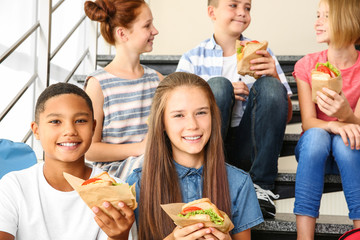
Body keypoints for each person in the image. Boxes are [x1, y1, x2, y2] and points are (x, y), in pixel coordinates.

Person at [176, 0, 293, 218]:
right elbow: (179, 116)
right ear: (212, 12)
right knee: (218, 86)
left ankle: (261, 188)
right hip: (208, 146)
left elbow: (285, 117)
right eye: (234, 5)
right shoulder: (192, 59)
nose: (242, 13)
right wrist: (216, 93)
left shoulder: (263, 54)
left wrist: (274, 78)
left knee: (269, 85)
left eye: (247, 8)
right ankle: (207, 179)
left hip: (250, 146)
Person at [127, 72, 264, 240]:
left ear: (213, 117)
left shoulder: (239, 183)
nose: (192, 125)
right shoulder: (138, 183)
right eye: (179, 115)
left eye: (201, 113)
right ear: (162, 122)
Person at [0, 83, 136, 240]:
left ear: (93, 127)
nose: (70, 130)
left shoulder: (114, 190)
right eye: (56, 121)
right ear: (36, 130)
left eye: (80, 121)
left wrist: (119, 236)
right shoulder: (14, 186)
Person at [292, 0, 360, 239]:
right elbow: (308, 122)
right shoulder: (307, 65)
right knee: (317, 136)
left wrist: (346, 115)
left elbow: (358, 126)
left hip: (352, 151)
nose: (317, 22)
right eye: (317, 15)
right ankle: (304, 236)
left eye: (326, 16)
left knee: (346, 141)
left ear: (348, 20)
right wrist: (334, 123)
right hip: (315, 150)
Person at [84, 0, 163, 180]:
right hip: (115, 177)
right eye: (147, 25)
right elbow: (89, 150)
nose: (155, 31)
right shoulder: (98, 84)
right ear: (122, 33)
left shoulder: (157, 81)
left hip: (153, 170)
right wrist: (139, 149)